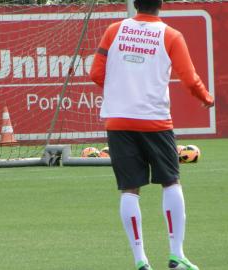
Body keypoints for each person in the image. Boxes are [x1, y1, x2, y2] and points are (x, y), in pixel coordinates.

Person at [90, 0, 214, 269]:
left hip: (119, 121)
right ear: (161, 4)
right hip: (155, 122)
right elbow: (189, 78)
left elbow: (96, 73)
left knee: (129, 190)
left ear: (135, 4)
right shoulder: (171, 35)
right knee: (171, 182)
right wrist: (205, 97)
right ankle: (176, 254)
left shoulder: (114, 30)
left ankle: (140, 261)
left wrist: (121, 88)